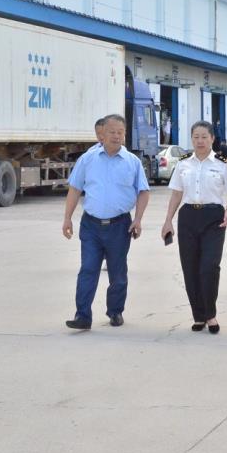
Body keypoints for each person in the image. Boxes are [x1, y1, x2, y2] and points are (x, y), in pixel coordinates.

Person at [62, 114, 150, 330]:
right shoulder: (88, 159)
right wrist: (67, 218)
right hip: (91, 225)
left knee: (117, 273)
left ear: (125, 134)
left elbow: (143, 192)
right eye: (112, 132)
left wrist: (138, 219)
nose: (116, 136)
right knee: (88, 269)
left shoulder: (132, 162)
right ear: (102, 134)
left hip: (119, 226)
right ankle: (83, 316)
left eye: (120, 132)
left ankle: (115, 311)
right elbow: (75, 189)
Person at [161, 121, 227, 332]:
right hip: (188, 217)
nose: (200, 141)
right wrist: (168, 220)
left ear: (212, 138)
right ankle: (199, 316)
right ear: (191, 139)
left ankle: (210, 315)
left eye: (204, 137)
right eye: (196, 137)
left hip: (214, 218)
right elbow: (176, 194)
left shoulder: (223, 163)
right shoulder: (184, 163)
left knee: (209, 267)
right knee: (190, 268)